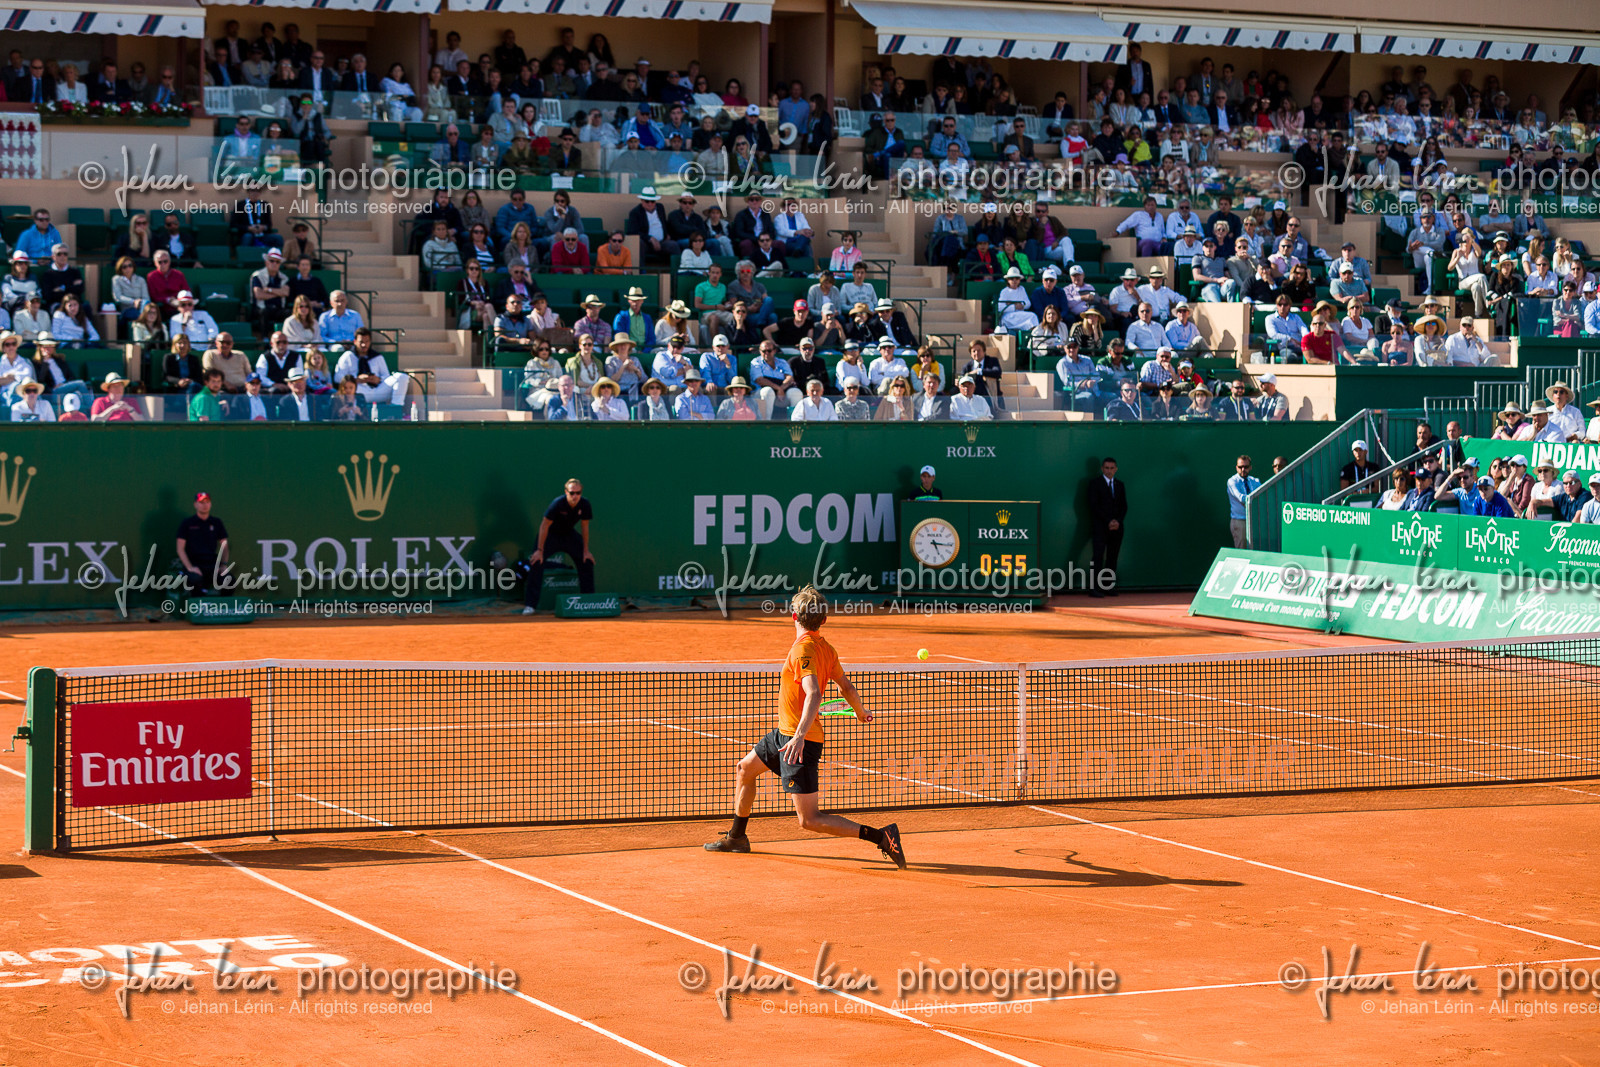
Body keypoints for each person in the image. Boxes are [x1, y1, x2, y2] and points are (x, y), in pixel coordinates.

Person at [704, 585, 904, 868]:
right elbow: (846, 687)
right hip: (782, 735)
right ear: (823, 620)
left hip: (800, 741)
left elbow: (814, 693)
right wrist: (860, 712)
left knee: (809, 820)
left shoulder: (803, 650)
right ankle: (737, 837)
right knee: (745, 769)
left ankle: (881, 836)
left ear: (794, 615)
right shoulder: (827, 649)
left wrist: (798, 737)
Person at [520, 478, 595, 615]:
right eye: (572, 493)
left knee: (587, 561)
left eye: (578, 493)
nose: (575, 496)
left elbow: (585, 527)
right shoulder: (557, 504)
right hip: (551, 535)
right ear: (566, 492)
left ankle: (588, 602)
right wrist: (540, 550)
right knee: (536, 561)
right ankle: (530, 605)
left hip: (569, 535)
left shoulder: (585, 504)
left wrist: (586, 551)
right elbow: (544, 526)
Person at [177, 491, 228, 596]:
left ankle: (223, 609)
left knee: (229, 580)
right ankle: (197, 609)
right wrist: (190, 567)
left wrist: (223, 565)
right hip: (194, 564)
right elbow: (180, 548)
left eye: (207, 502)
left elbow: (225, 546)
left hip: (212, 564)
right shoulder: (187, 523)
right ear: (195, 504)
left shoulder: (216, 522)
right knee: (195, 580)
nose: (205, 505)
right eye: (201, 502)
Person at [1087, 457, 1125, 597]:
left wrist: (1117, 521)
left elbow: (1124, 506)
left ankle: (1108, 587)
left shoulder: (1120, 485)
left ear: (1116, 469)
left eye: (1112, 468)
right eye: (1107, 468)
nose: (1109, 471)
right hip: (1100, 527)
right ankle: (1094, 588)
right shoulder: (1095, 484)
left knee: (1112, 557)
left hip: (1117, 528)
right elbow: (1094, 505)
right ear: (1102, 469)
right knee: (1097, 557)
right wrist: (1108, 521)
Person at [1227, 455, 1259, 548]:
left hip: (1254, 520)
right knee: (1242, 550)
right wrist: (1255, 498)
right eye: (1240, 467)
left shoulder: (1255, 481)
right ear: (1236, 468)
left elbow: (1262, 494)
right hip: (1240, 521)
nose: (1243, 469)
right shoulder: (1232, 481)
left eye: (1246, 467)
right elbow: (1241, 498)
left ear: (1250, 467)